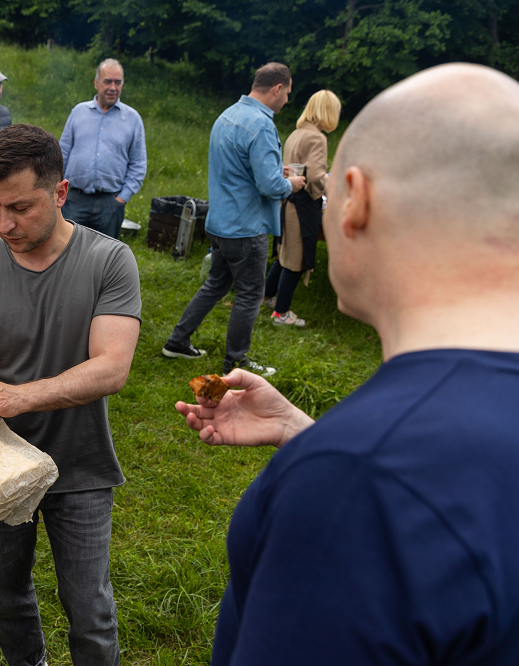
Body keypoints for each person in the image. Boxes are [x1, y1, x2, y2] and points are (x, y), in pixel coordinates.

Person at [177, 63, 519, 665]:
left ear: (355, 199)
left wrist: (338, 460)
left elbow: (397, 491)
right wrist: (304, 435)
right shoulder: (390, 463)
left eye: (332, 188)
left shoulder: (356, 486)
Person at [0, 124, 142, 666]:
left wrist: (18, 397)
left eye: (21, 208)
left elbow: (111, 368)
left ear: (60, 193)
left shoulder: (109, 262)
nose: (5, 224)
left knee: (90, 609)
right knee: (8, 598)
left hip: (79, 465)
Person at [162, 62, 305, 377]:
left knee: (215, 285)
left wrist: (271, 173)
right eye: (288, 93)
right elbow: (269, 186)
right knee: (251, 293)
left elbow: (241, 169)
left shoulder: (226, 116)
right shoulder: (261, 125)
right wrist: (290, 184)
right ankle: (236, 361)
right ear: (277, 88)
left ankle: (176, 341)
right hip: (245, 228)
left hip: (219, 222)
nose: (287, 101)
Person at [264, 90, 342, 327]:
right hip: (303, 206)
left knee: (284, 253)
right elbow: (317, 176)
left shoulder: (297, 133)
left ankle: (266, 296)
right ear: (328, 112)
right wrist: (334, 191)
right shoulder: (317, 138)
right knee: (295, 262)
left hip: (287, 202)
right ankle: (281, 313)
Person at [59, 58, 147, 239]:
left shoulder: (133, 119)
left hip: (110, 203)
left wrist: (121, 198)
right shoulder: (78, 112)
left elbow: (138, 164)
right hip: (74, 200)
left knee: (105, 259)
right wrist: (58, 188)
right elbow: (62, 154)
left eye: (118, 82)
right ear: (96, 83)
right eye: (108, 81)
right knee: (67, 252)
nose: (113, 87)